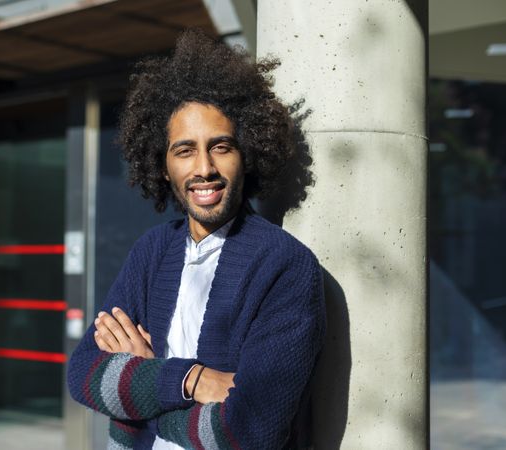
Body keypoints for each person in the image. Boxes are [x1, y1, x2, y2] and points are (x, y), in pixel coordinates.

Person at [67, 29, 326, 450]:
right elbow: (82, 374)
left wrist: (142, 393)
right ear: (163, 163)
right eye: (185, 150)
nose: (204, 168)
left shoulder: (284, 265)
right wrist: (191, 379)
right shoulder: (152, 251)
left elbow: (250, 430)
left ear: (247, 154)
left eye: (220, 146)